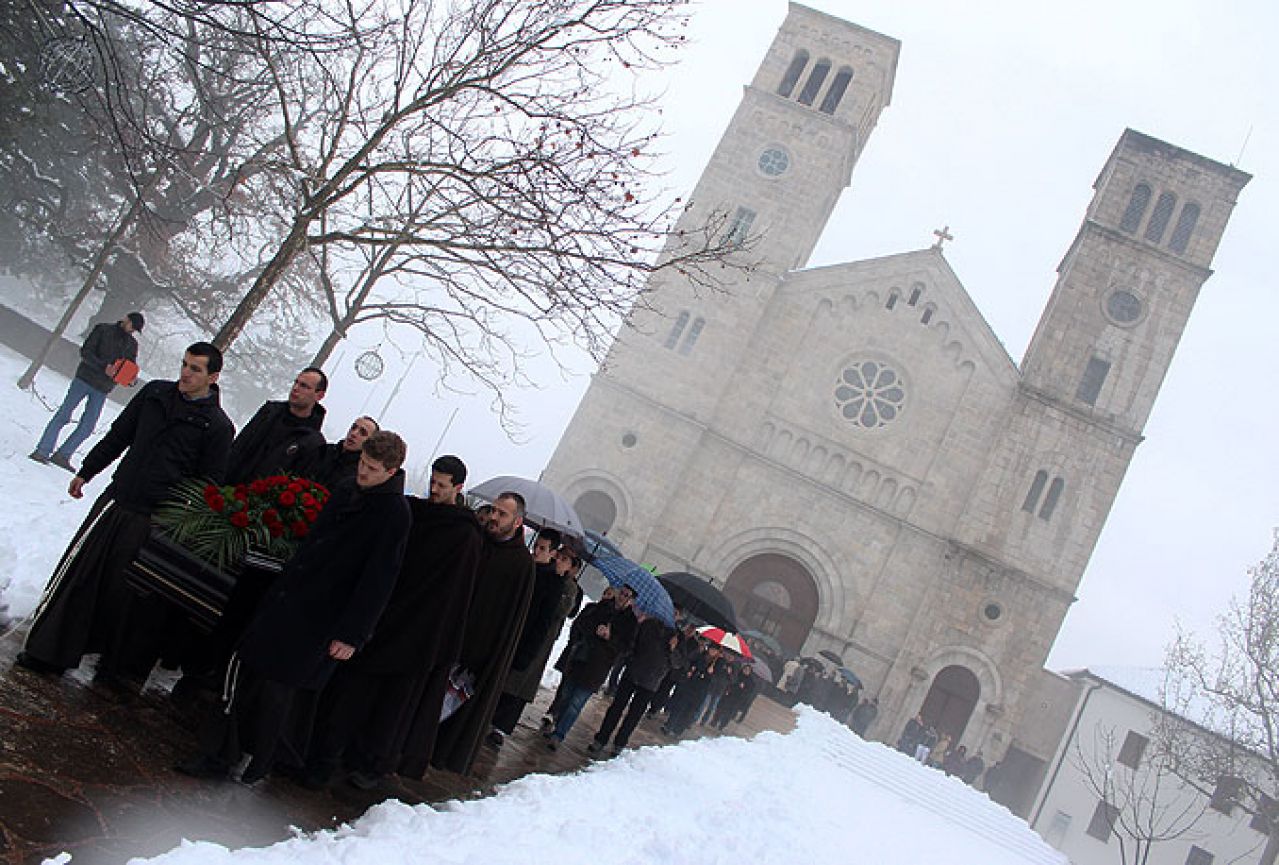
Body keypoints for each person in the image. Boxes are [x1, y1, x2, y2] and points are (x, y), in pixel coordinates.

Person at [176, 430, 412, 784]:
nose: (363, 472)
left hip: (322, 617)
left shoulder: (395, 514)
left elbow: (379, 581)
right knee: (248, 679)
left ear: (391, 472)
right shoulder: (347, 488)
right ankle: (220, 755)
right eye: (363, 463)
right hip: (289, 600)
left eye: (372, 468)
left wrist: (352, 634)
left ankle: (257, 761)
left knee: (278, 696)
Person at [17, 342, 234, 681]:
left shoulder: (217, 426)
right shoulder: (155, 395)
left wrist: (179, 522)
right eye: (185, 365)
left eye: (196, 369)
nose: (186, 374)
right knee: (82, 577)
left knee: (125, 594)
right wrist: (87, 471)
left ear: (213, 376)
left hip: (155, 519)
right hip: (118, 500)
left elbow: (208, 484)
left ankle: (111, 665)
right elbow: (120, 436)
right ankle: (51, 652)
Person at [303, 455, 483, 789]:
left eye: (441, 485)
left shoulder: (465, 535)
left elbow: (453, 596)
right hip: (384, 621)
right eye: (432, 481)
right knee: (349, 696)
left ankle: (368, 765)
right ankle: (327, 758)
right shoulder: (415, 513)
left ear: (457, 488)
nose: (433, 489)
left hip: (416, 636)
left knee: (387, 710)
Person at [429, 492, 535, 775]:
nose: (493, 518)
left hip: (474, 653)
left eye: (502, 514)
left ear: (517, 522)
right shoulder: (476, 542)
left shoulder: (521, 564)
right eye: (494, 511)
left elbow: (509, 617)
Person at [489, 532, 577, 747]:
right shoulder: (536, 570)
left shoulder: (567, 587)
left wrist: (561, 582)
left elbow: (563, 611)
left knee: (520, 685)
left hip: (540, 642)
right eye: (560, 557)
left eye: (565, 560)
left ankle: (501, 727)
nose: (560, 562)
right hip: (519, 633)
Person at [31, 312, 144, 471]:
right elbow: (86, 352)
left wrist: (131, 379)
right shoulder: (102, 330)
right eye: (133, 326)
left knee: (88, 426)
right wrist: (104, 367)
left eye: (135, 330)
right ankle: (42, 451)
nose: (132, 331)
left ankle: (63, 455)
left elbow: (129, 367)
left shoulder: (132, 345)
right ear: (127, 320)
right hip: (84, 379)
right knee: (63, 415)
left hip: (103, 388)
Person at [546, 584, 638, 750]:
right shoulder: (602, 607)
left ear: (631, 601)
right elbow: (582, 624)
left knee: (576, 703)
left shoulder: (630, 622)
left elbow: (626, 648)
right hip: (581, 658)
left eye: (626, 595)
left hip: (598, 668)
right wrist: (595, 629)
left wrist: (610, 637)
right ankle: (557, 725)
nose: (622, 597)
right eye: (621, 593)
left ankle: (559, 734)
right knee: (566, 695)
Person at [224, 367, 328, 484]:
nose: (295, 388)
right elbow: (240, 445)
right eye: (296, 382)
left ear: (319, 395)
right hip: (230, 486)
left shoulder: (312, 442)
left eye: (304, 386)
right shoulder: (270, 412)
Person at [590, 612, 673, 756]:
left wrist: (673, 649)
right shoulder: (648, 624)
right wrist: (631, 659)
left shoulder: (676, 636)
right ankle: (601, 739)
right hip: (632, 673)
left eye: (677, 614)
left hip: (651, 682)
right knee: (616, 707)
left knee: (634, 715)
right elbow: (632, 644)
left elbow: (679, 663)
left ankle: (620, 743)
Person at [309, 415, 378, 491]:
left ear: (370, 443)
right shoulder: (323, 451)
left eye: (362, 433)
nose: (354, 433)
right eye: (353, 428)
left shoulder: (360, 473)